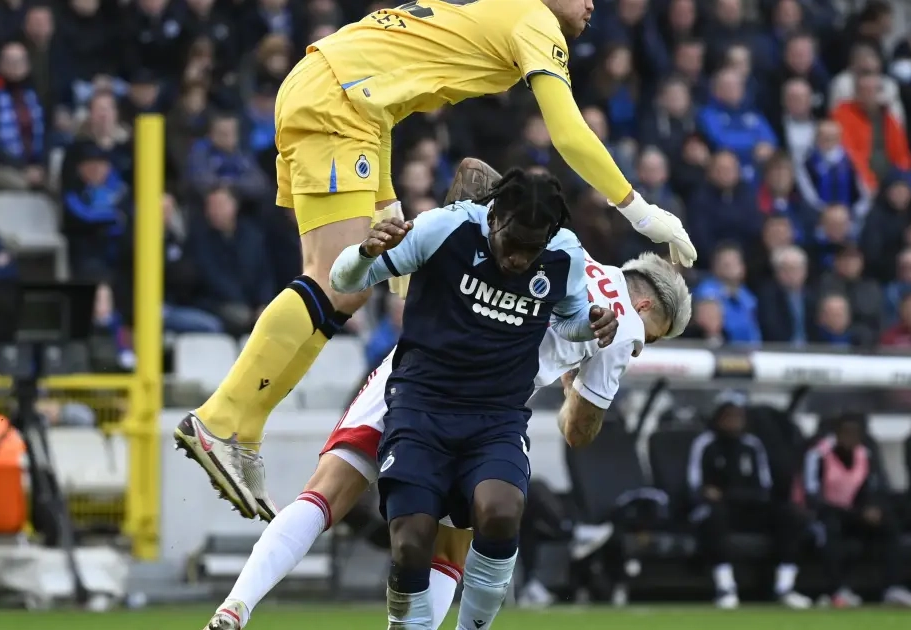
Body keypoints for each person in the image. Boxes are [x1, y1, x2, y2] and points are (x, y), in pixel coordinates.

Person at [174, 0, 698, 521]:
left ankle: (243, 431)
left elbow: (385, 77)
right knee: (335, 282)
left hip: (337, 90)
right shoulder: (535, 19)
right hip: (341, 102)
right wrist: (642, 212)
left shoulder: (501, 10)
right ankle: (220, 419)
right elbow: (568, 133)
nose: (590, 5)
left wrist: (386, 197)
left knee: (342, 288)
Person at [206, 173, 689, 630]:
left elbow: (479, 181)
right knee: (452, 546)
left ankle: (236, 606)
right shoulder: (615, 317)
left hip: (415, 370)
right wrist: (582, 383)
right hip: (476, 403)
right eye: (654, 336)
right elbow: (578, 431)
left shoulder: (573, 253)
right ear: (646, 305)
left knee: (327, 492)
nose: (644, 345)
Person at [328, 167, 620, 630]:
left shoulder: (564, 253)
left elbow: (569, 319)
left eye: (533, 249)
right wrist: (365, 253)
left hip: (496, 415)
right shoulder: (443, 229)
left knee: (502, 511)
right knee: (411, 542)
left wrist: (593, 323)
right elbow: (344, 281)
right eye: (513, 244)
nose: (520, 260)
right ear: (494, 216)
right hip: (421, 406)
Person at [687, 391, 810, 609]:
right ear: (718, 417)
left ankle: (785, 587)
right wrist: (711, 493)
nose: (734, 421)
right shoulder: (705, 444)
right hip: (718, 509)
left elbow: (764, 485)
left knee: (789, 515)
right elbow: (696, 485)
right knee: (715, 516)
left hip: (748, 507)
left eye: (739, 416)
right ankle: (725, 587)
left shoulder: (752, 445)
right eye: (729, 415)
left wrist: (734, 494)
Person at [803, 413, 911, 607]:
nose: (850, 438)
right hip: (827, 513)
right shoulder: (818, 454)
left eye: (855, 434)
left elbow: (874, 487)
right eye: (846, 433)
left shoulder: (865, 455)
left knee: (889, 524)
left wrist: (873, 508)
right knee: (830, 528)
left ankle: (893, 587)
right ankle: (837, 590)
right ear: (837, 434)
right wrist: (850, 512)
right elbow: (812, 495)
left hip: (855, 513)